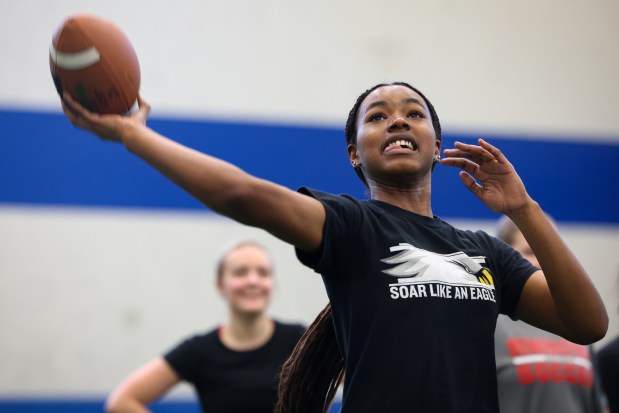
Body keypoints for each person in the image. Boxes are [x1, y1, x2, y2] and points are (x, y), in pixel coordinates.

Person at [60, 81, 608, 413]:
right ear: (354, 153)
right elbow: (241, 193)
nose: (398, 118)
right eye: (378, 115)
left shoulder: (486, 252)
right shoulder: (351, 227)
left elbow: (587, 324)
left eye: (414, 113)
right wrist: (135, 135)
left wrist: (523, 209)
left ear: (437, 145)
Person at [104, 240, 305, 413]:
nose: (253, 280)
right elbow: (121, 402)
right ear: (220, 284)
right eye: (240, 272)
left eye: (263, 273)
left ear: (273, 283)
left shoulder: (299, 340)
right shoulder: (200, 350)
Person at [494, 216, 605, 413]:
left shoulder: (578, 325)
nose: (541, 260)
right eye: (529, 251)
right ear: (505, 259)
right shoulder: (490, 326)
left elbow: (598, 405)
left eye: (545, 251)